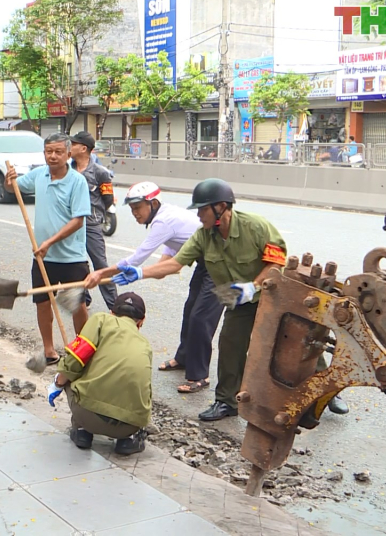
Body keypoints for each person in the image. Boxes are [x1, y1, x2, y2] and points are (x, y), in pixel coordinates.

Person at [89, 178, 286, 421]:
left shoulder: (255, 226)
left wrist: (254, 286)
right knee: (229, 345)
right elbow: (173, 263)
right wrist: (140, 273)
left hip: (270, 294)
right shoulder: (204, 235)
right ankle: (226, 402)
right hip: (237, 296)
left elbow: (276, 261)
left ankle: (325, 396)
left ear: (221, 206)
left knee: (288, 343)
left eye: (203, 209)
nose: (199, 215)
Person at [87, 181, 223, 394]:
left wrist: (101, 273)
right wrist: (157, 271)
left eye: (138, 208)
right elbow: (169, 255)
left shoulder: (163, 221)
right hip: (205, 263)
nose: (135, 214)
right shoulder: (166, 218)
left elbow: (137, 258)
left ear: (153, 203)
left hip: (221, 265)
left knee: (201, 318)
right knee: (190, 311)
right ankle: (184, 357)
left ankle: (199, 376)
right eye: (132, 209)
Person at [5, 133, 91, 364]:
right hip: (42, 257)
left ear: (68, 153)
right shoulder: (39, 175)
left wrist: (49, 242)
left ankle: (81, 352)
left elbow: (78, 220)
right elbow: (15, 188)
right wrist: (9, 179)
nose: (52, 156)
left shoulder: (77, 181)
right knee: (43, 303)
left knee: (77, 305)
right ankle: (49, 350)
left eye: (58, 152)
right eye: (48, 152)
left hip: (71, 258)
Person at [47, 292, 152, 456]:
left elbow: (75, 360)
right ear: (142, 321)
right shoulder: (145, 345)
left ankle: (81, 430)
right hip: (129, 425)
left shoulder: (100, 320)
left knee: (70, 368)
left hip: (88, 415)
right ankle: (128, 440)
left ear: (112, 312)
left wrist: (57, 383)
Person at [69, 131, 116, 311]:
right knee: (76, 264)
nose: (69, 148)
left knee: (100, 265)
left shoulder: (101, 173)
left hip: (90, 224)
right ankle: (83, 300)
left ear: (83, 149)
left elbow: (108, 199)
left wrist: (95, 215)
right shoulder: (67, 170)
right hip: (71, 224)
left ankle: (114, 306)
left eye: (73, 145)